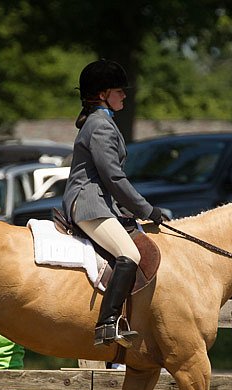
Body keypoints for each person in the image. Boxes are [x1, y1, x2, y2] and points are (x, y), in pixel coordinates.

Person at [61, 59, 166, 347]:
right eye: (119, 91)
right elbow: (113, 178)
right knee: (129, 254)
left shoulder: (101, 122)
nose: (124, 95)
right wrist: (147, 209)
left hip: (97, 202)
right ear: (103, 94)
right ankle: (107, 323)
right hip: (88, 204)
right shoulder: (101, 126)